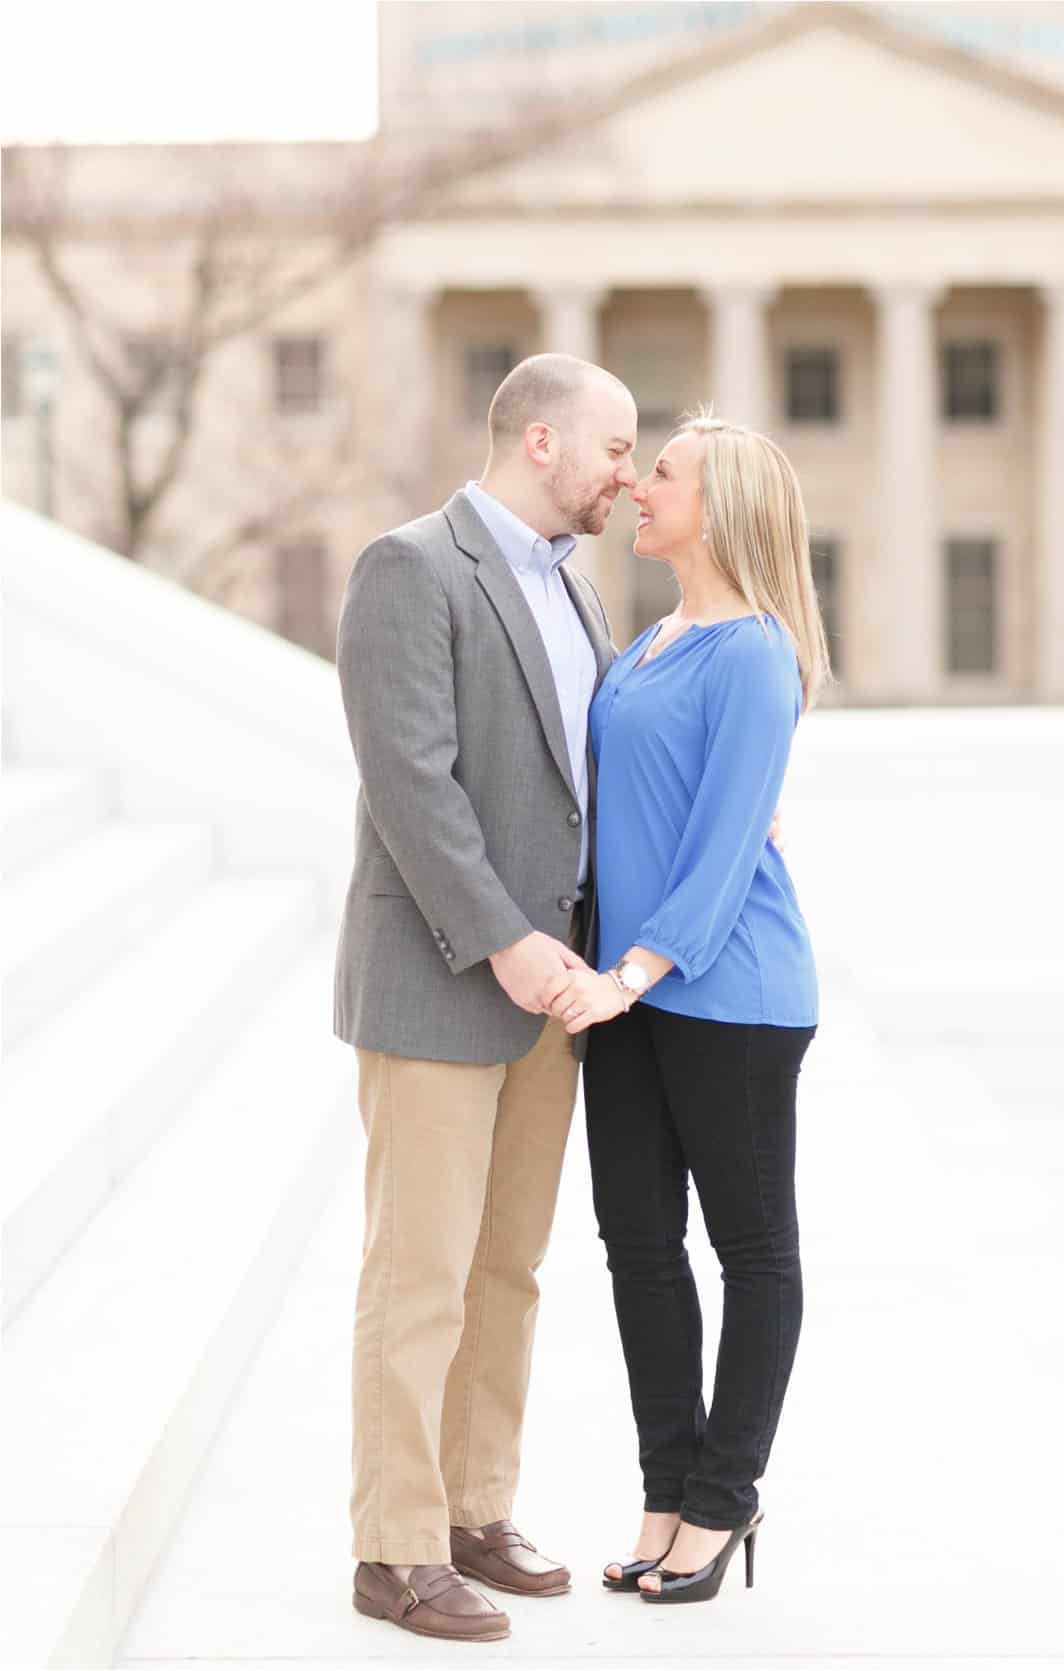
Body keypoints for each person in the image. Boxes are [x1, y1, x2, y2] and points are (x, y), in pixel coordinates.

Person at [333, 354, 638, 1643]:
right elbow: (410, 784)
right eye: (618, 449)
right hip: (447, 979)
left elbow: (587, 773)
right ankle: (394, 1550)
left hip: (556, 992)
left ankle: (475, 1511)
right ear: (545, 442)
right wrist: (506, 941)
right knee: (423, 1276)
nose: (629, 475)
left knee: (508, 1270)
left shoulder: (574, 589)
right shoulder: (409, 568)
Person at [544, 413, 830, 1606]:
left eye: (661, 472)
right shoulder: (651, 640)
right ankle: (668, 1490)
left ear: (720, 510)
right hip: (632, 988)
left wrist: (632, 973)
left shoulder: (757, 650)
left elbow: (719, 854)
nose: (637, 484)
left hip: (730, 991)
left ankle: (726, 1500)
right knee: (638, 1248)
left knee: (751, 1252)